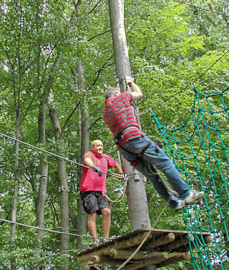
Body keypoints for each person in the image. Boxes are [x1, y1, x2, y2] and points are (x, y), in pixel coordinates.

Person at [102, 77, 203, 211]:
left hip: (125, 148)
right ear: (116, 94)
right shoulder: (121, 98)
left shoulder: (105, 113)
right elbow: (138, 94)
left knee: (153, 176)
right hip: (135, 137)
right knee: (165, 164)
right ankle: (186, 194)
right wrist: (131, 83)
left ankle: (174, 203)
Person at [80, 140, 123, 245]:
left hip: (101, 191)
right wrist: (94, 167)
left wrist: (121, 174)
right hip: (88, 190)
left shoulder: (105, 157)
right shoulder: (89, 154)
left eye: (101, 145)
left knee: (107, 212)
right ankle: (95, 240)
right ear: (93, 147)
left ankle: (106, 239)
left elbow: (116, 164)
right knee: (92, 214)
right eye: (98, 146)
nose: (100, 147)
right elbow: (87, 160)